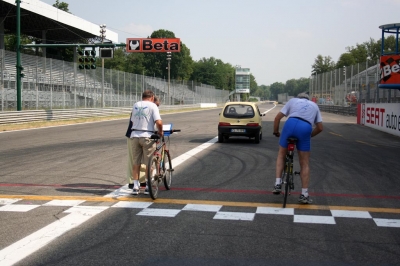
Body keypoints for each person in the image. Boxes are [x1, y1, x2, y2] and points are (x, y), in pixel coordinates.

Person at [272, 92, 323, 204]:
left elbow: (277, 118)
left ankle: (277, 183)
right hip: (305, 127)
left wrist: (276, 132)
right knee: (304, 163)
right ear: (308, 99)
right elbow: (320, 127)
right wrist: (308, 136)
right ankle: (304, 194)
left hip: (290, 124)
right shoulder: (314, 105)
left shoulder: (292, 101)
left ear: (298, 98)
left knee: (281, 154)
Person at [125, 90, 163, 195]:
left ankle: (136, 187)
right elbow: (158, 122)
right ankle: (146, 185)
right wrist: (160, 132)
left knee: (136, 162)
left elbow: (133, 121)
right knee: (149, 163)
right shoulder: (152, 106)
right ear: (152, 97)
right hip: (147, 137)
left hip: (135, 136)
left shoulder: (135, 105)